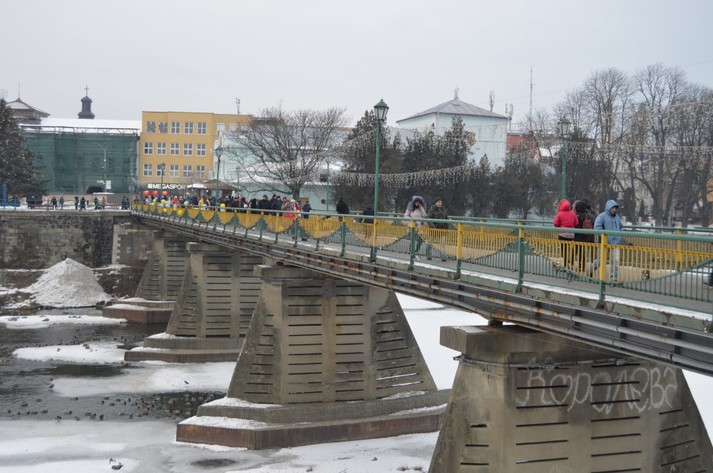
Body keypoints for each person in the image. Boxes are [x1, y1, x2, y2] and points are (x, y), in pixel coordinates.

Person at [590, 199, 624, 280]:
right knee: (601, 259)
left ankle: (614, 277)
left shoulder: (617, 217)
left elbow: (620, 227)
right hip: (604, 242)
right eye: (612, 208)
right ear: (608, 208)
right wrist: (605, 236)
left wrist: (619, 235)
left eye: (615, 208)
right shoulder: (602, 216)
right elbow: (597, 228)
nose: (614, 210)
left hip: (615, 242)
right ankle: (591, 269)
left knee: (615, 260)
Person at [552, 199, 578, 269]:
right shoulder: (572, 213)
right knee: (570, 248)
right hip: (571, 234)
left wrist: (560, 226)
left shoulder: (559, 213)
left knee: (564, 250)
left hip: (562, 234)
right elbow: (576, 223)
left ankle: (566, 264)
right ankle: (571, 261)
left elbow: (555, 223)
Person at [573, 199, 595, 272]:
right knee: (583, 253)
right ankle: (583, 267)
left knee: (577, 252)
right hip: (587, 236)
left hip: (578, 236)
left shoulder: (577, 216)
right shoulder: (588, 215)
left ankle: (571, 264)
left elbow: (575, 225)